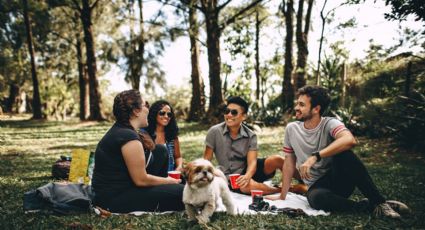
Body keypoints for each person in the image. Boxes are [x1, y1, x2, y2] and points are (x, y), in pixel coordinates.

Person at [267, 85, 410, 218]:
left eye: (302, 105)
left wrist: (315, 156)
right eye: (297, 103)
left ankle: (379, 202)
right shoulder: (292, 129)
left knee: (344, 153)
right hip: (317, 187)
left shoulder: (330, 123)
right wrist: (282, 195)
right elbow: (289, 163)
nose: (296, 107)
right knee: (316, 199)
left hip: (339, 179)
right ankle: (366, 206)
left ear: (316, 109)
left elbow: (349, 140)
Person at [92, 90, 184, 213]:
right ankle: (167, 189)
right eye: (146, 105)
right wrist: (169, 181)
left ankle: (165, 189)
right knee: (185, 193)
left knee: (160, 150)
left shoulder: (124, 130)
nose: (148, 109)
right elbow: (141, 180)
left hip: (127, 186)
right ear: (136, 111)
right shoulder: (127, 137)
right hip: (114, 198)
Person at [203, 96, 286, 195]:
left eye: (234, 112)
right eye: (227, 111)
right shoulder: (214, 132)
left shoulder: (251, 135)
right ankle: (282, 190)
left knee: (277, 159)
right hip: (231, 177)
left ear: (244, 116)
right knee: (245, 186)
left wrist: (247, 176)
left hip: (249, 170)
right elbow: (206, 160)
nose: (229, 115)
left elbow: (252, 163)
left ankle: (306, 181)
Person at [145, 100, 183, 172]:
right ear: (154, 114)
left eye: (169, 114)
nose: (166, 116)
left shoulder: (172, 135)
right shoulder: (145, 134)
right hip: (151, 176)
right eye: (162, 113)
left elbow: (178, 157)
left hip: (170, 175)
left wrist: (179, 167)